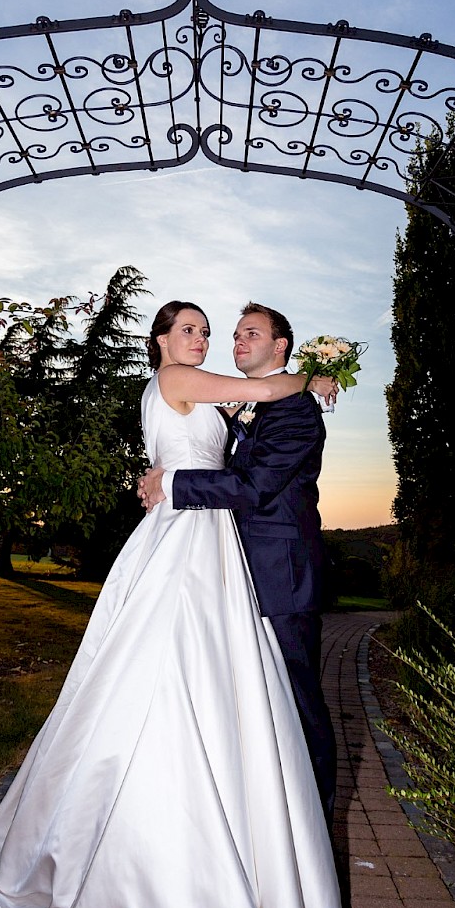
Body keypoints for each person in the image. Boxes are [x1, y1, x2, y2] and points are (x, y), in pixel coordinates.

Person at [0, 301, 350, 908]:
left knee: (257, 696)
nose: (212, 339)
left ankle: (286, 833)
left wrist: (310, 382)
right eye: (195, 329)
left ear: (281, 343)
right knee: (177, 676)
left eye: (226, 331)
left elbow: (246, 464)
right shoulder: (186, 379)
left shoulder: (215, 395)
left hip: (225, 551)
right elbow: (258, 400)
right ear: (163, 342)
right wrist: (309, 376)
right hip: (190, 544)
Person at [138, 303, 337, 824]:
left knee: (298, 705)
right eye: (230, 334)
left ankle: (309, 824)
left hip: (281, 576)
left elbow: (252, 487)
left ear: (280, 347)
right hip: (224, 565)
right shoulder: (235, 400)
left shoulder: (294, 411)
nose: (232, 341)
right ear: (162, 339)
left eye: (251, 333)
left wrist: (174, 482)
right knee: (241, 695)